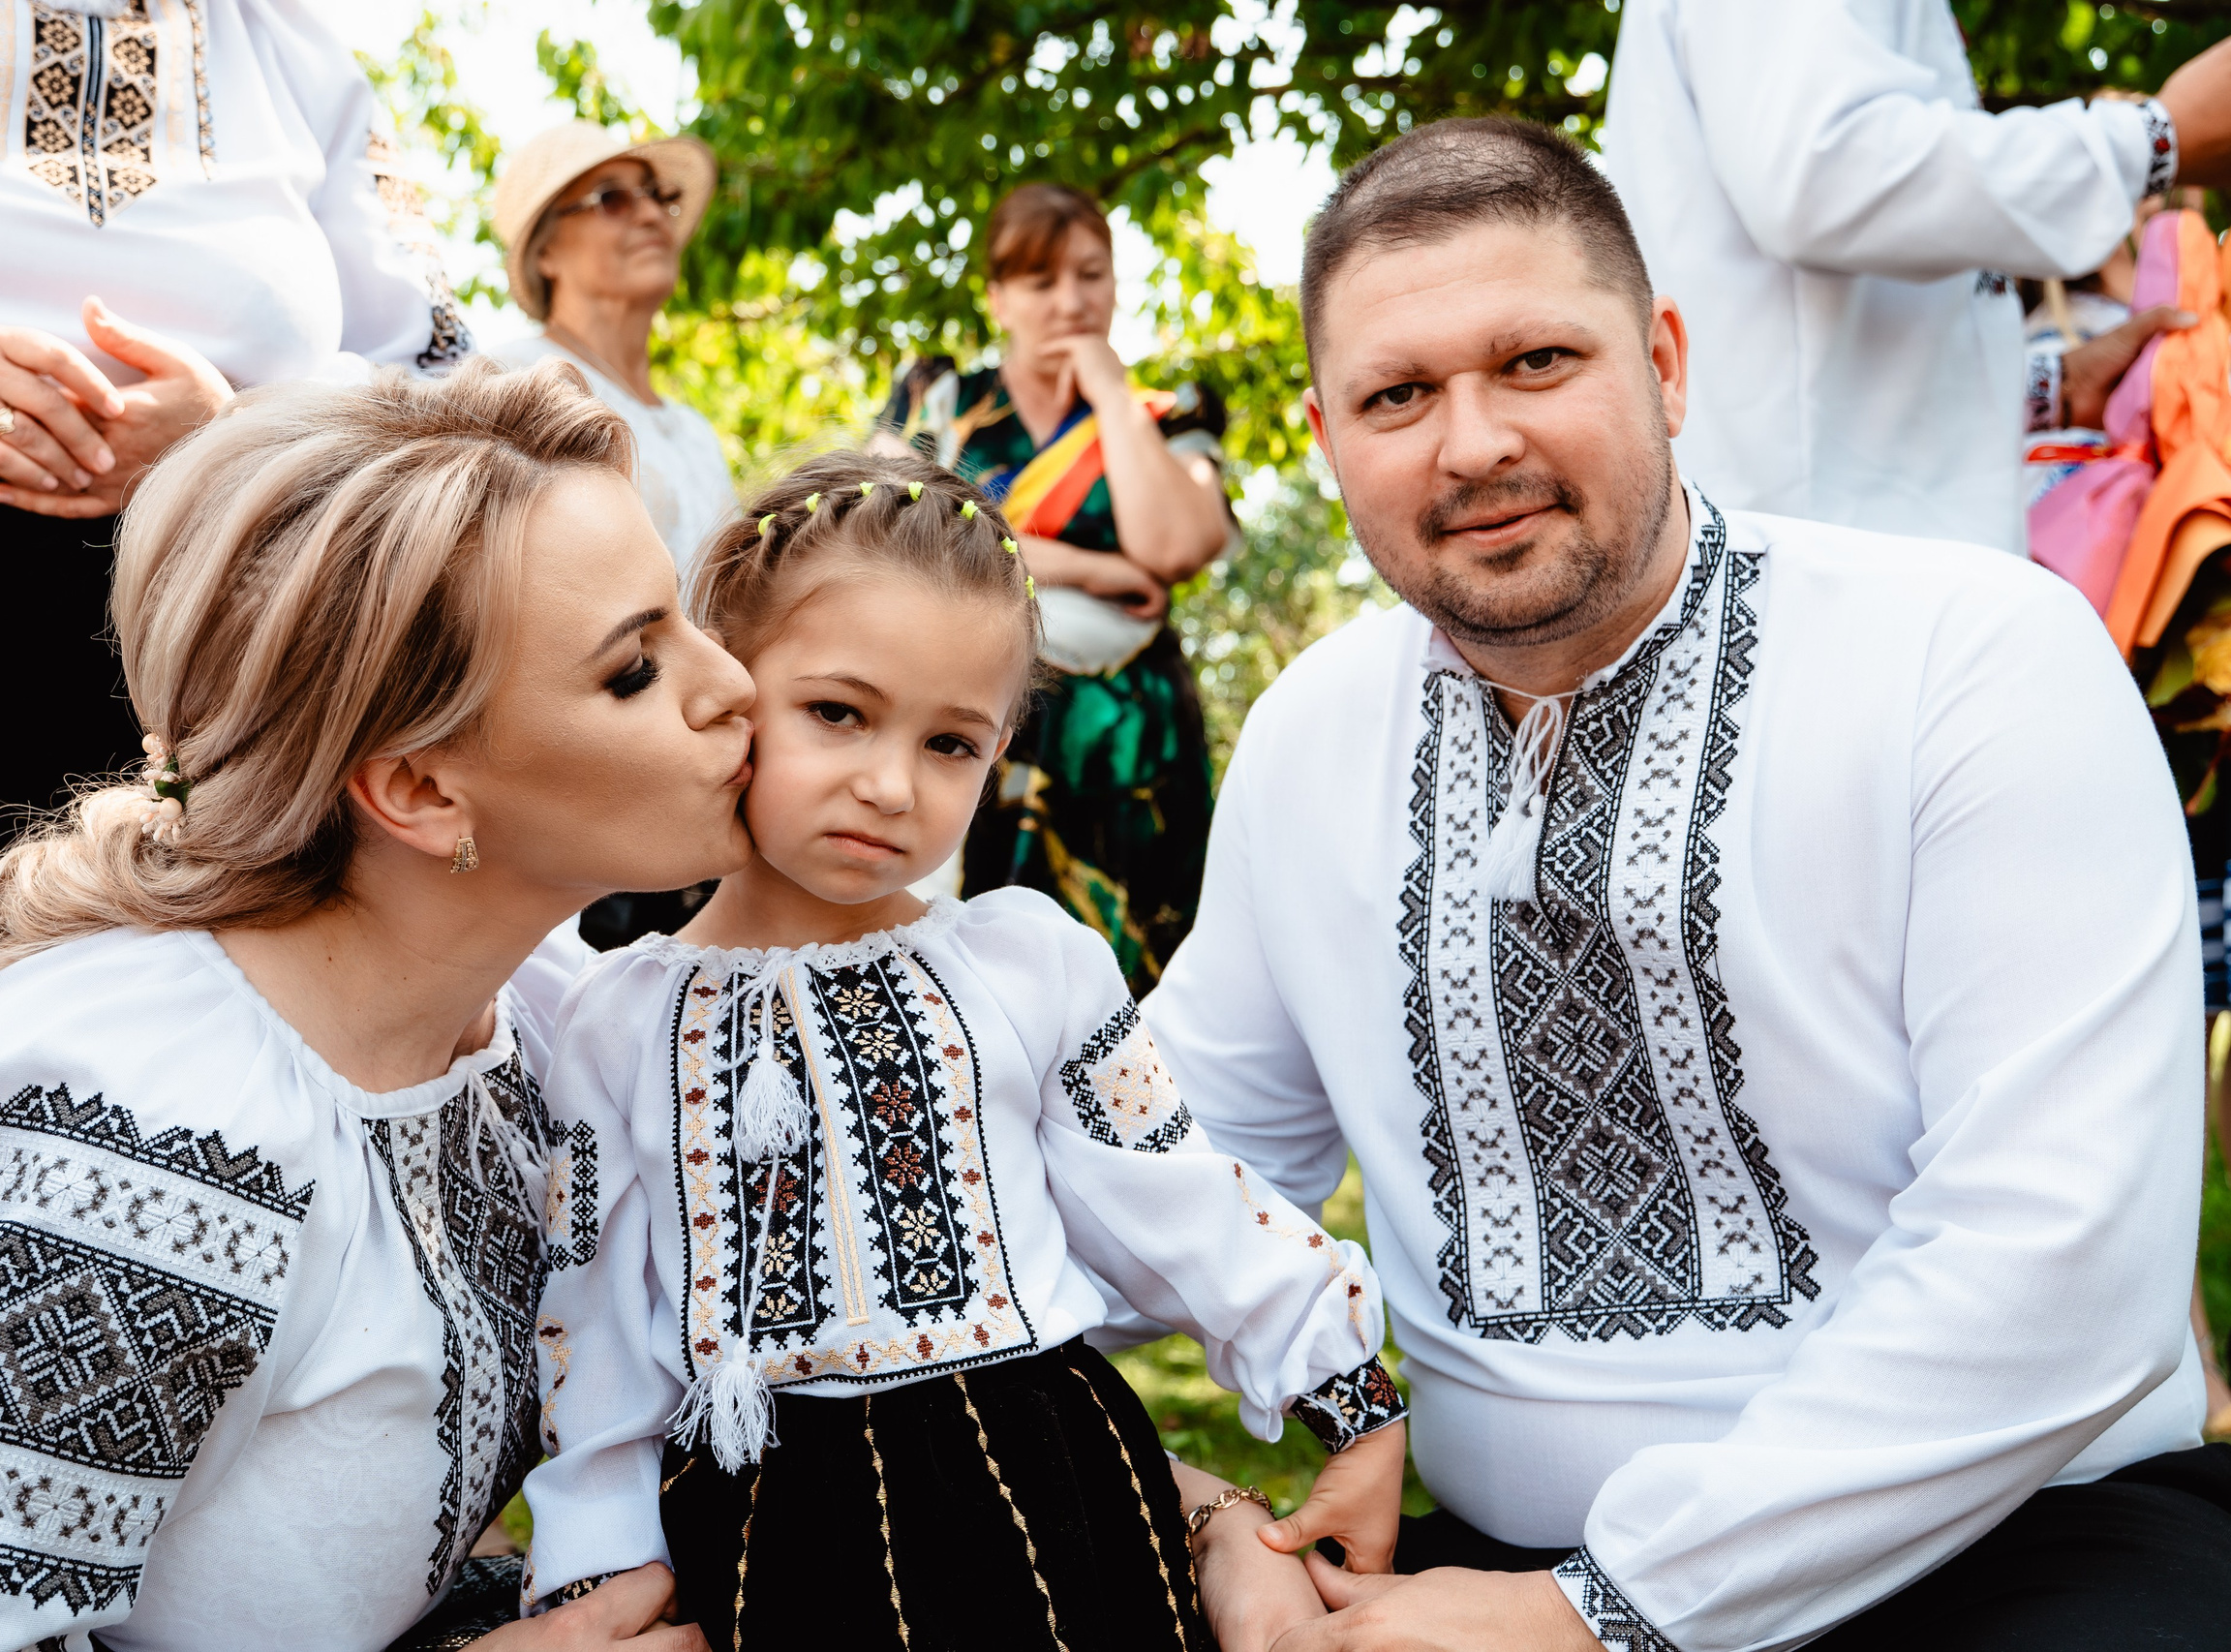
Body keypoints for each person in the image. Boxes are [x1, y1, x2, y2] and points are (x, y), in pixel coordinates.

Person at [1146, 117, 2229, 1649]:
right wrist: (1196, 1510)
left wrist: (1599, 1613)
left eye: (1535, 360)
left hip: (2015, 1552)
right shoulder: (1312, 736)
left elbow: (2062, 1265)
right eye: (1399, 395)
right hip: (1480, 1577)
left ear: (1663, 363)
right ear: (1329, 439)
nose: (1473, 442)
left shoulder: (1974, 658)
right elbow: (1149, 1183)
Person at [0, 361, 739, 1652]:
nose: (733, 684)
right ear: (419, 791)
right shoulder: (151, 1153)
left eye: (686, 618)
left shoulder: (537, 1020)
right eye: (636, 668)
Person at [518, 449, 1407, 1648]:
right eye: (837, 712)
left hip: (1046, 1492)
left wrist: (1348, 1393)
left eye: (951, 743)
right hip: (774, 1538)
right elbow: (593, 1330)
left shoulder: (1028, 962)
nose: (891, 785)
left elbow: (1177, 1192)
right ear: (729, 689)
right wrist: (596, 1567)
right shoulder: (617, 1018)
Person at [0, 0, 475, 1331]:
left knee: (115, 1213)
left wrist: (241, 430)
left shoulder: (292, 49)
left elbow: (441, 406)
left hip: (182, 722)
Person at [1601, 0, 2231, 555]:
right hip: (1832, 578)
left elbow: (1828, 348)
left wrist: (2053, 391)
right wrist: (2153, 141)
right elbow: (1824, 174)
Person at [876, 183, 1237, 993]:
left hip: (1127, 733)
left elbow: (1176, 546)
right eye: (1041, 281)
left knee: (1138, 973)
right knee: (971, 972)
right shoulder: (942, 398)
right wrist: (1091, 568)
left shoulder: (1167, 414)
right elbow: (894, 530)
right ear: (999, 297)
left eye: (1091, 275)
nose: (1071, 301)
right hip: (975, 712)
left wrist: (1110, 395)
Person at [487, 121, 738, 954]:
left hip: (700, 763)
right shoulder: (509, 377)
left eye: (658, 196)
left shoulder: (694, 429)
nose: (652, 214)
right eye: (611, 198)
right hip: (580, 782)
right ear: (545, 250)